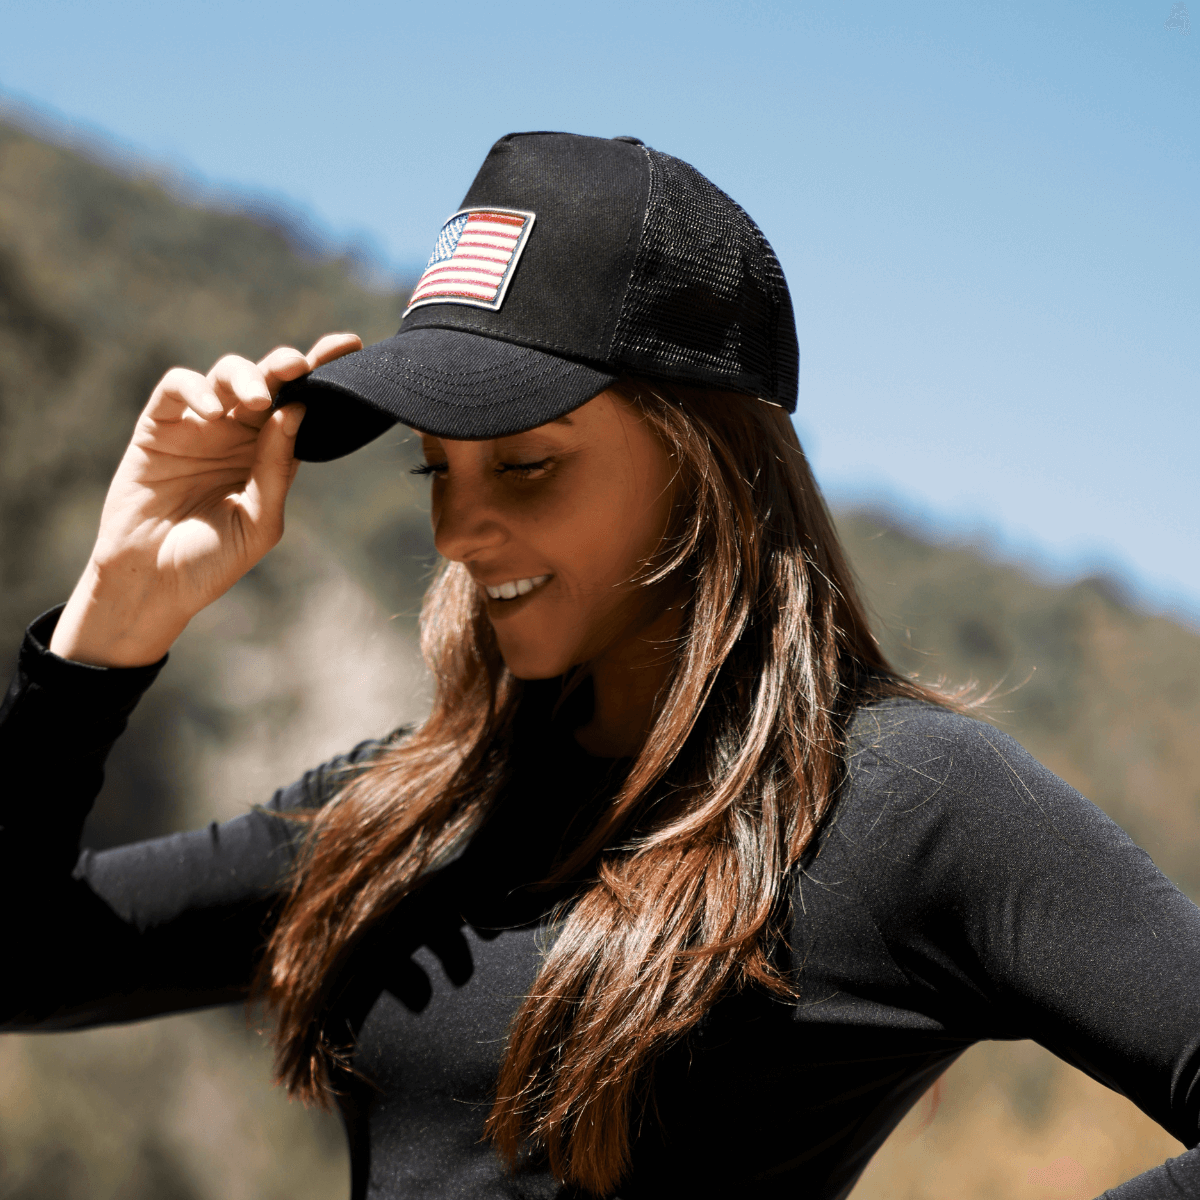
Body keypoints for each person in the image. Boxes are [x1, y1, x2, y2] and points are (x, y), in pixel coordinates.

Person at [2, 131, 1198, 1200]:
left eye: (525, 465)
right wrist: (110, 625)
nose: (457, 534)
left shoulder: (903, 804)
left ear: (703, 460)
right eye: (437, 469)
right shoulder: (411, 810)